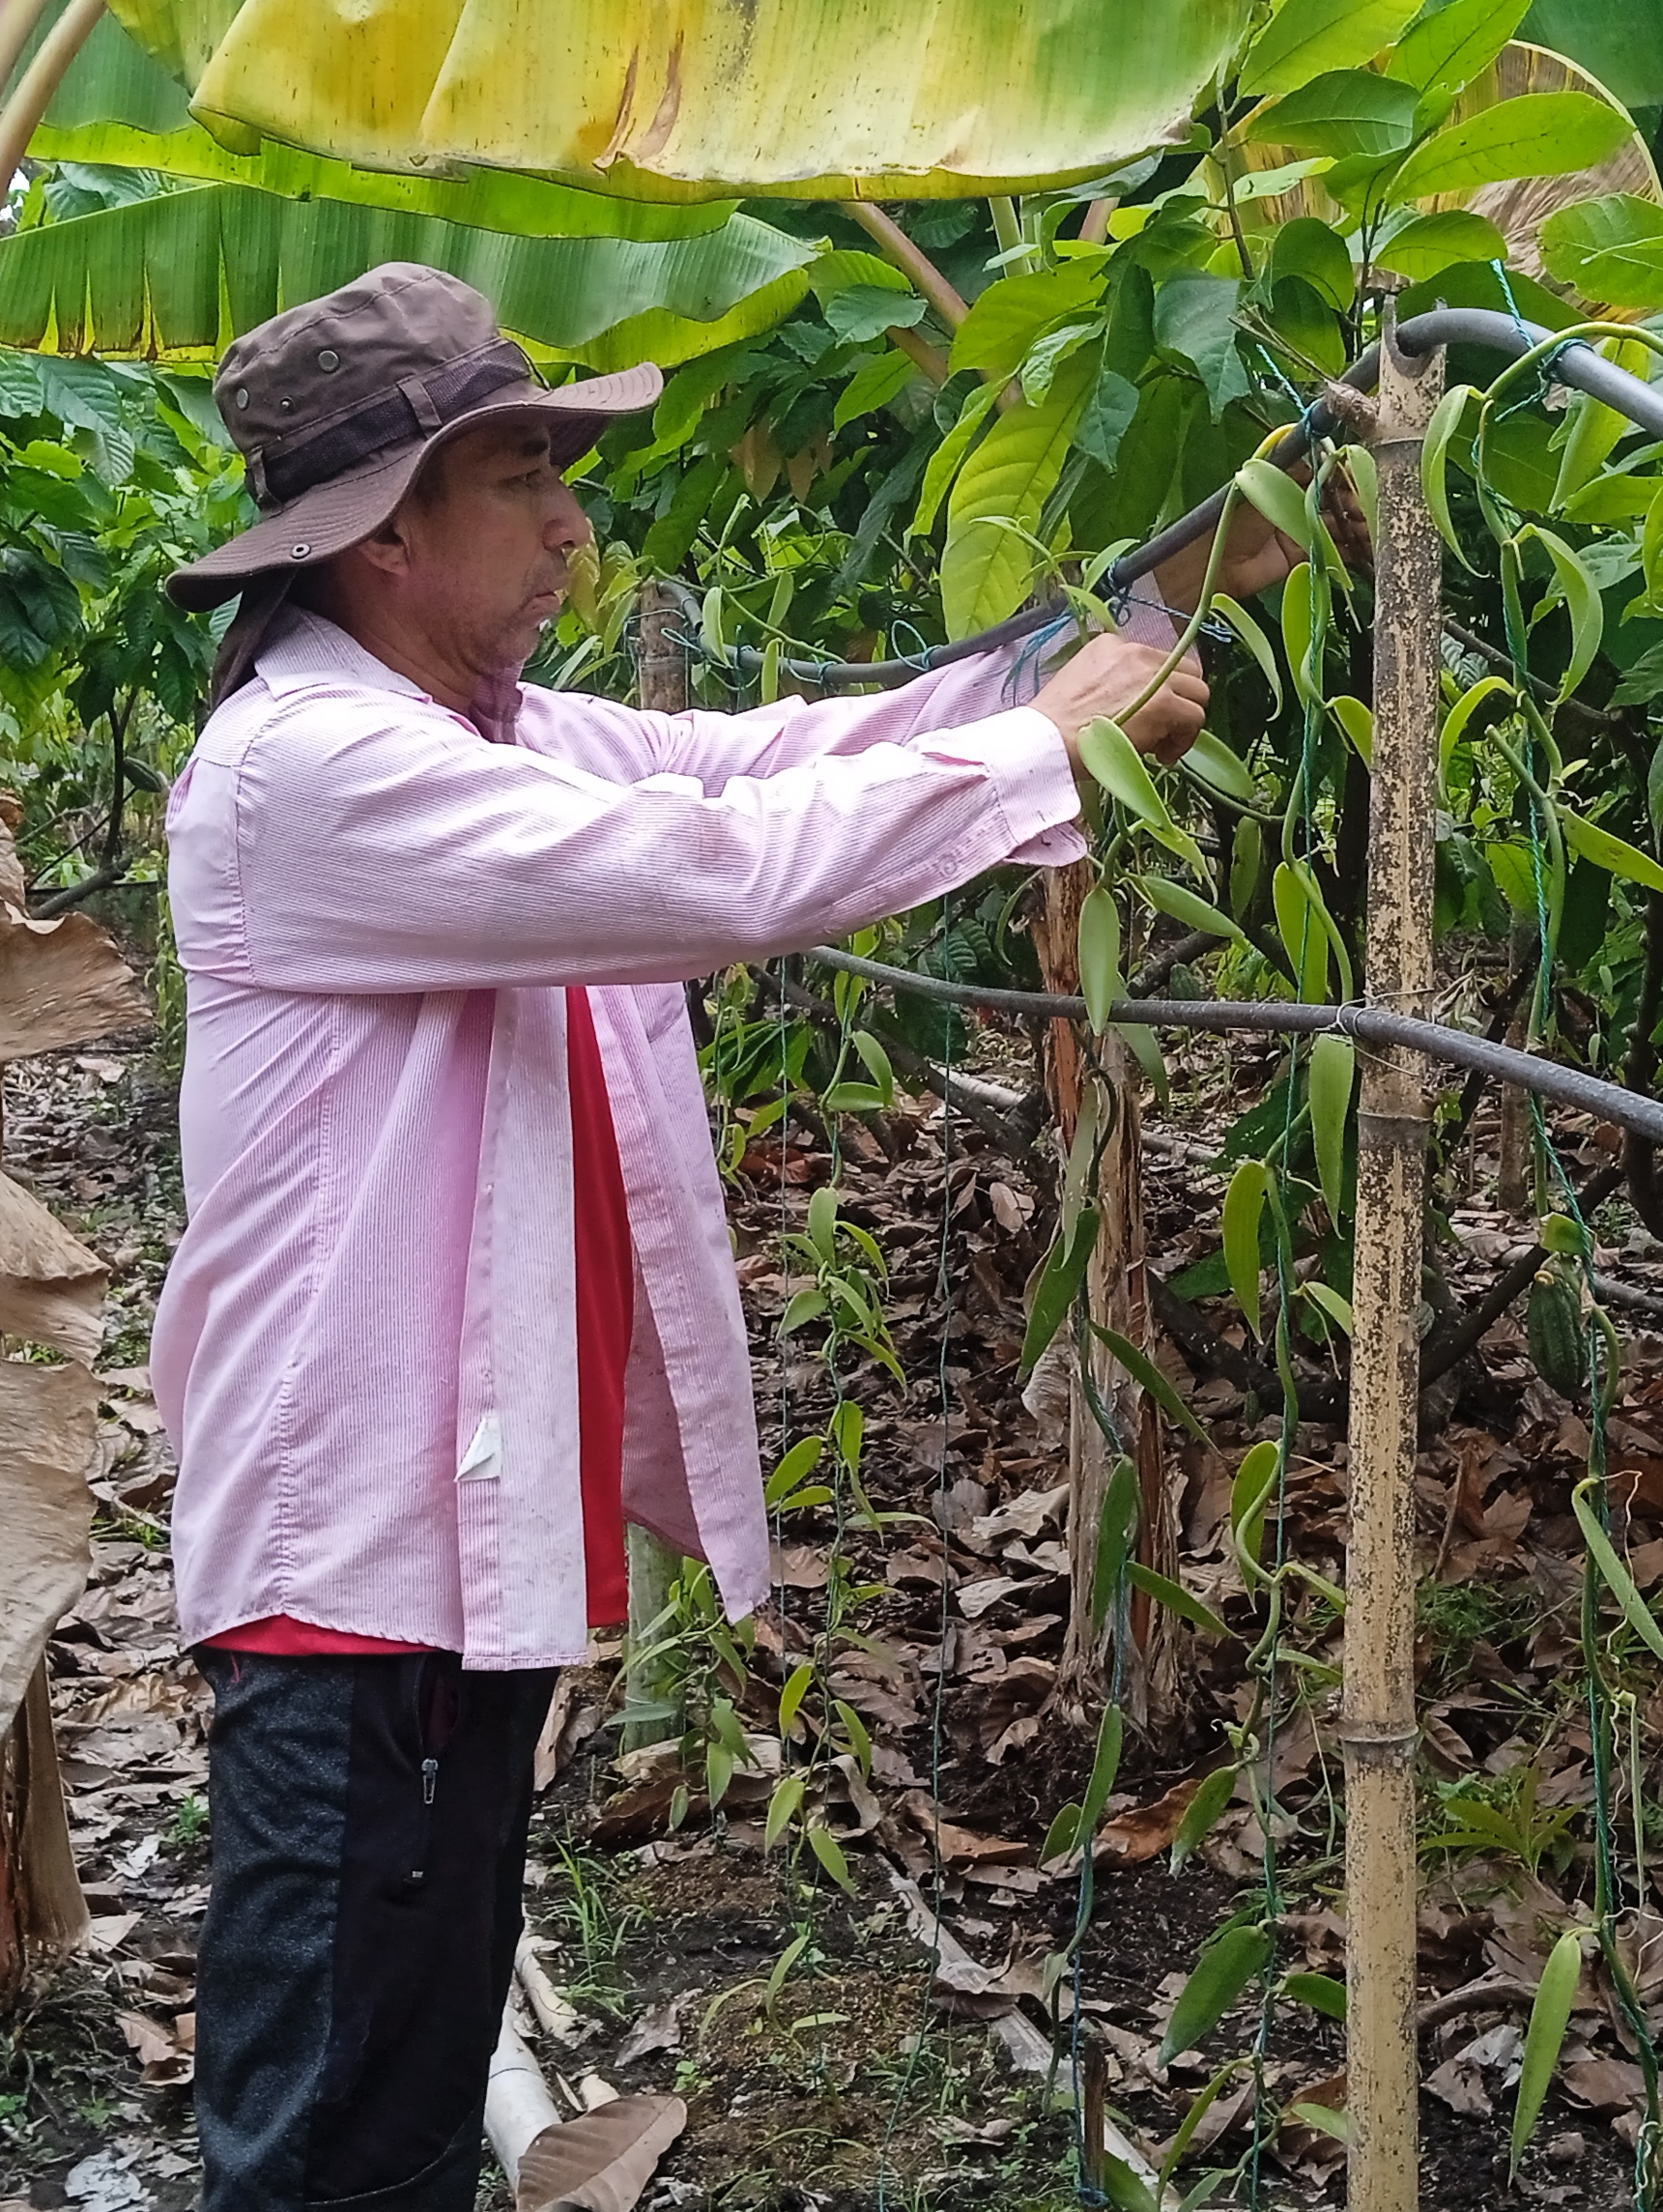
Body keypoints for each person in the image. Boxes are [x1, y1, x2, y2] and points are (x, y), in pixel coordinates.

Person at [149, 262, 1294, 2211]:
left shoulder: (492, 734)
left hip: (434, 1543)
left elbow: (785, 758)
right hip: (349, 1575)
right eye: (522, 477)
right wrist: (1051, 746)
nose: (569, 525)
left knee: (405, 2092)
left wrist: (1159, 598)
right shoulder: (310, 769)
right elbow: (726, 868)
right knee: (329, 2134)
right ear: (385, 535)